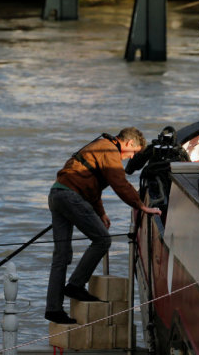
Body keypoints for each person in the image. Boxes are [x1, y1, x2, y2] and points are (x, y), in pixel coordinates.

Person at [45, 127, 162, 324]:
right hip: (70, 196)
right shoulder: (109, 150)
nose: (131, 157)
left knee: (61, 255)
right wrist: (141, 206)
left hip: (57, 194)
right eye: (133, 152)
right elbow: (119, 183)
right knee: (102, 240)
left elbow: (93, 185)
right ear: (129, 143)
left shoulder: (101, 147)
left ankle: (53, 309)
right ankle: (75, 285)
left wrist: (101, 213)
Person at [124, 125, 189, 219]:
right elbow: (129, 169)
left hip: (158, 187)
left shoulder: (153, 150)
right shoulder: (179, 152)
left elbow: (129, 169)